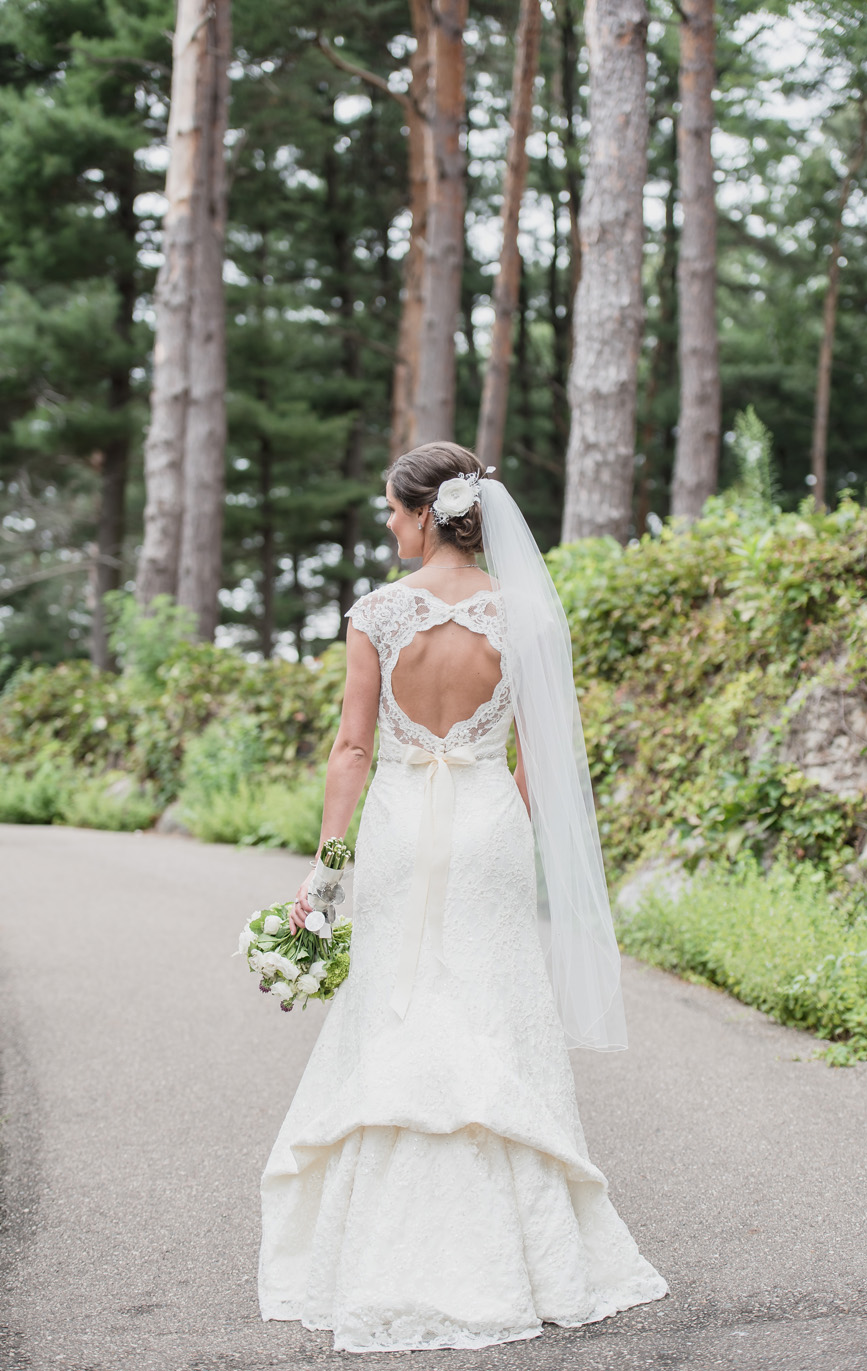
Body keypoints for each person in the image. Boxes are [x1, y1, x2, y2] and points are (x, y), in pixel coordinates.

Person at [257, 441, 668, 1353]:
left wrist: (324, 877)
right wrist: (500, 822)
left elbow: (353, 752)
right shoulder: (524, 613)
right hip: (488, 825)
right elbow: (542, 759)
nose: (386, 523)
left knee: (400, 1012)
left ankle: (379, 1253)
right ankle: (522, 1253)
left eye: (389, 509)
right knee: (489, 1006)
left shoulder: (376, 613)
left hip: (403, 830)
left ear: (419, 512)